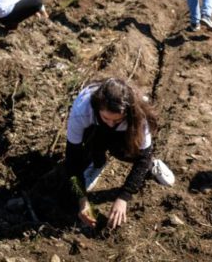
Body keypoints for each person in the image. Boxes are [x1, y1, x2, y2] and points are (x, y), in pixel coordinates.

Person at [65, 78, 174, 230]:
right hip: (93, 126)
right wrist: (82, 199)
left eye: (116, 120)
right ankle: (97, 163)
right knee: (86, 150)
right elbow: (71, 160)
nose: (110, 124)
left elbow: (143, 158)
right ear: (97, 108)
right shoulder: (81, 111)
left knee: (129, 152)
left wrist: (124, 196)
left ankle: (153, 165)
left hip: (126, 130)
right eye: (106, 118)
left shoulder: (138, 114)